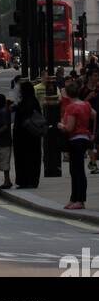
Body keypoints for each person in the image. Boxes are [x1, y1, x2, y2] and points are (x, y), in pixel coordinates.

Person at [58, 80, 95, 210]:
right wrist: (92, 133)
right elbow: (94, 116)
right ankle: (74, 198)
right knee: (75, 170)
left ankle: (80, 200)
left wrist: (61, 125)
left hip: (75, 140)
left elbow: (69, 128)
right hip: (84, 138)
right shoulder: (86, 104)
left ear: (67, 94)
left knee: (77, 171)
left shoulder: (71, 107)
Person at [11, 79, 44, 189]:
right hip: (30, 137)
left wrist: (17, 107)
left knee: (26, 159)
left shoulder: (28, 102)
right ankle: (29, 180)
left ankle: (26, 180)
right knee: (31, 158)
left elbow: (25, 114)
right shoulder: (31, 101)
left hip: (25, 137)